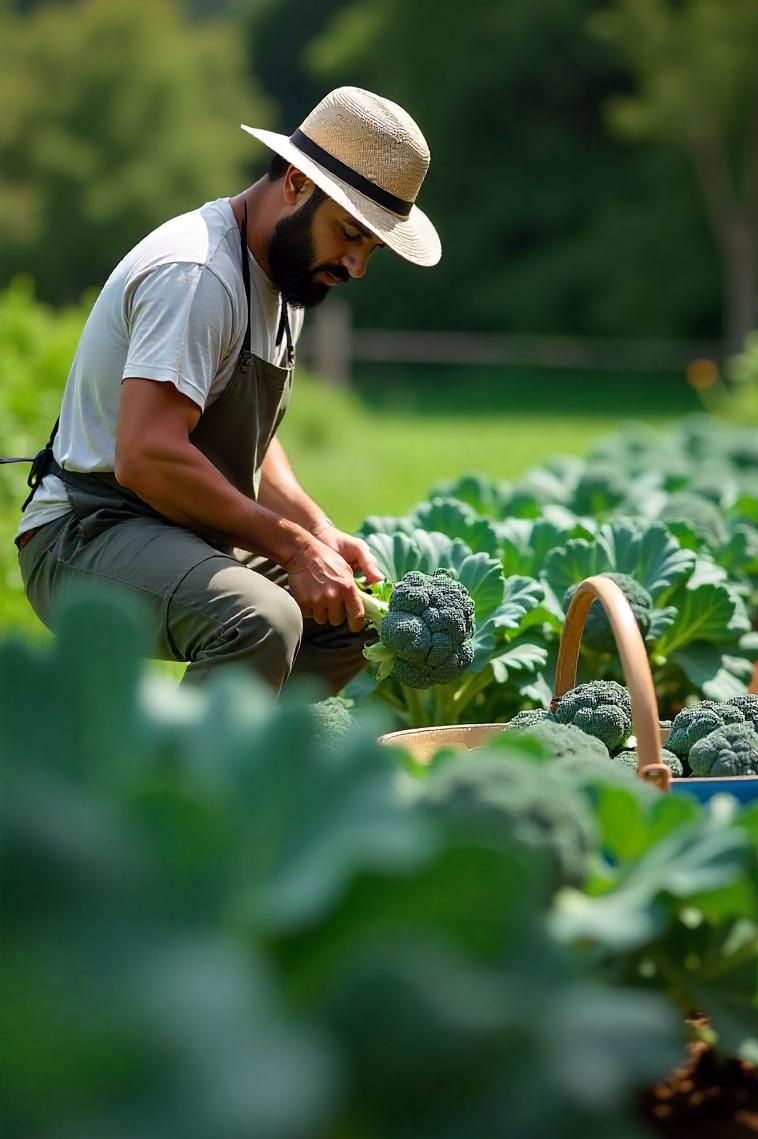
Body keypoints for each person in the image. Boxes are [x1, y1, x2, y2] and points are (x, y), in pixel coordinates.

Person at [10, 86, 441, 694]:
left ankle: (248, 777)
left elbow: (253, 443)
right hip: (85, 532)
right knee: (261, 620)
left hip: (179, 527)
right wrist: (291, 550)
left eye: (369, 247)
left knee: (348, 616)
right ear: (296, 181)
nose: (356, 265)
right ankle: (172, 787)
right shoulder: (198, 274)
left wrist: (318, 532)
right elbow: (149, 456)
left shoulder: (285, 277)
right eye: (349, 232)